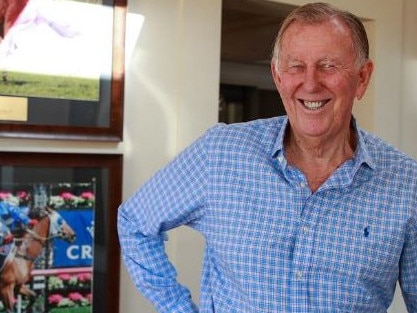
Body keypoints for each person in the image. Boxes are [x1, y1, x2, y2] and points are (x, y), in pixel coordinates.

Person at [118, 2, 417, 312]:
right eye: (295, 66)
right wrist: (178, 308)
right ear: (277, 76)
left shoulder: (406, 183)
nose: (311, 82)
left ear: (363, 77)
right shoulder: (220, 153)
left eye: (328, 65)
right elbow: (136, 223)